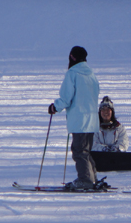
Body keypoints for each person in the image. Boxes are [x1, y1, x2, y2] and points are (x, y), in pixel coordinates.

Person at [48, 46, 100, 189]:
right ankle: (93, 178)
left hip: (79, 120)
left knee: (79, 151)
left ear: (72, 57)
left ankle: (85, 180)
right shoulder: (91, 74)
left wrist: (54, 107)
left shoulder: (72, 73)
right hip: (91, 120)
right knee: (86, 151)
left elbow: (66, 98)